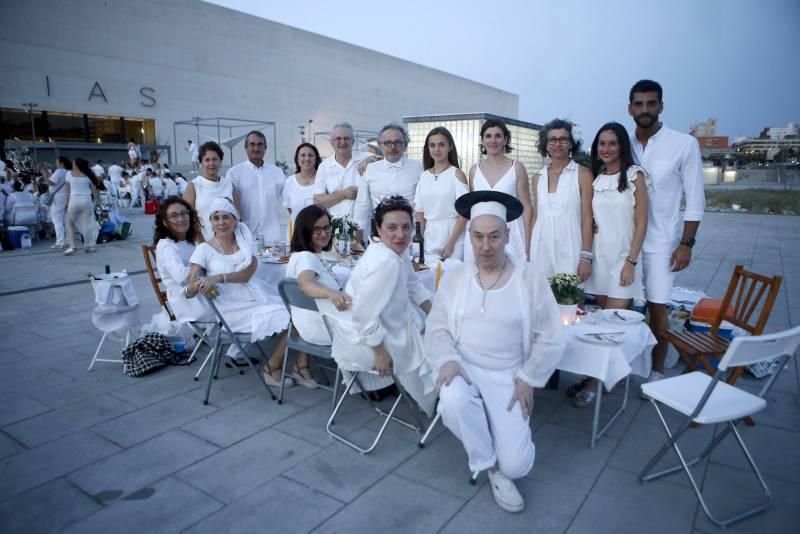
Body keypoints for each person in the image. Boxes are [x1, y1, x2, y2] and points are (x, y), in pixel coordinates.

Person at [425, 190, 564, 513]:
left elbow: (551, 335)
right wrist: (446, 360)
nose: (485, 246)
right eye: (477, 237)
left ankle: (499, 452)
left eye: (494, 237)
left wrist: (529, 377)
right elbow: (437, 325)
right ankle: (491, 467)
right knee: (452, 398)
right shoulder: (457, 276)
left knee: (519, 465)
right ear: (469, 237)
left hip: (508, 376)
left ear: (507, 236)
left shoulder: (529, 278)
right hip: (464, 367)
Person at [327, 196, 436, 414]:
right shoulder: (386, 261)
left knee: (435, 329)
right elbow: (364, 316)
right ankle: (437, 399)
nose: (401, 235)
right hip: (364, 339)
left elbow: (414, 285)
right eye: (392, 227)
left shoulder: (393, 250)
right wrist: (379, 352)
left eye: (406, 227)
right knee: (441, 348)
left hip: (358, 331)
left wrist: (437, 316)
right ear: (378, 227)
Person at [628, 79, 705, 388]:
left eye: (651, 103)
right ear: (630, 108)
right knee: (622, 306)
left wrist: (686, 243)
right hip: (625, 242)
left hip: (662, 243)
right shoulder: (623, 143)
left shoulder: (683, 144)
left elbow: (695, 198)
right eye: (639, 104)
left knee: (658, 307)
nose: (645, 110)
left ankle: (656, 372)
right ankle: (622, 367)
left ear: (661, 106)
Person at [570, 122, 649, 407]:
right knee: (599, 323)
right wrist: (586, 257)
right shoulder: (596, 178)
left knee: (612, 324)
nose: (606, 149)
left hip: (623, 260)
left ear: (622, 146)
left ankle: (593, 384)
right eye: (601, 144)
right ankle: (600, 374)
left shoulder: (635, 176)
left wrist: (631, 261)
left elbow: (642, 223)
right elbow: (590, 222)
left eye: (612, 143)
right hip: (600, 259)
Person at [189, 197, 293, 387]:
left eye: (226, 217)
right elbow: (190, 287)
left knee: (298, 313)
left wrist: (218, 278)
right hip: (231, 311)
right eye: (216, 218)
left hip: (252, 300)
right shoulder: (204, 249)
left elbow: (246, 274)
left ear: (235, 219)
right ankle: (272, 368)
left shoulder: (244, 244)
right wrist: (199, 286)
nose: (221, 223)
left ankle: (298, 367)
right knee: (295, 318)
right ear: (211, 222)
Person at [285, 205, 353, 388]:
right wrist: (331, 293)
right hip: (324, 330)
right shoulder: (306, 258)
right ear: (305, 230)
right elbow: (305, 285)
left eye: (326, 228)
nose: (324, 233)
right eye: (317, 229)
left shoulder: (303, 256)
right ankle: (376, 378)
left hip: (308, 326)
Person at [529, 119, 594, 280]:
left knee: (570, 300)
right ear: (546, 144)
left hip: (571, 246)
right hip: (541, 248)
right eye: (552, 139)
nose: (557, 144)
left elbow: (587, 218)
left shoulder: (583, 174)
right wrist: (529, 252)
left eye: (563, 139)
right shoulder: (538, 177)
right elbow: (536, 216)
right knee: (541, 300)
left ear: (571, 143)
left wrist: (586, 257)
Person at [464, 119, 533, 264]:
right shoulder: (474, 170)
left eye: (498, 136)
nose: (493, 140)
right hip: (482, 234)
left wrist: (528, 244)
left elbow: (526, 208)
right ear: (482, 141)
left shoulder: (517, 168)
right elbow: (473, 209)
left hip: (511, 234)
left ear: (505, 139)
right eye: (488, 136)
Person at [354, 124, 422, 240]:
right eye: (387, 143)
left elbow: (423, 204)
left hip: (410, 235)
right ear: (380, 145)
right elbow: (362, 204)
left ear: (405, 145)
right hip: (380, 235)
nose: (392, 147)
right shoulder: (369, 169)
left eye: (398, 142)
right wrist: (358, 235)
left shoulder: (418, 168)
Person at [414, 126, 469, 262]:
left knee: (451, 280)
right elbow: (420, 214)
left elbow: (464, 213)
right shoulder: (423, 176)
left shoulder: (457, 174)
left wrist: (451, 244)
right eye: (432, 145)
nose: (437, 149)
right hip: (429, 238)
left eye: (441, 145)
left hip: (453, 238)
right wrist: (418, 241)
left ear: (450, 147)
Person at [153, 197, 212, 323]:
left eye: (184, 213)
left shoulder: (191, 241)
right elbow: (182, 276)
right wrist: (204, 265)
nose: (181, 219)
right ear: (165, 222)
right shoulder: (166, 246)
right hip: (187, 300)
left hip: (203, 291)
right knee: (234, 306)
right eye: (174, 216)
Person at [226, 131, 286, 243]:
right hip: (245, 237)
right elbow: (229, 207)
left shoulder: (277, 172)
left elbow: (289, 201)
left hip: (272, 237)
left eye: (260, 144)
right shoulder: (234, 173)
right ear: (245, 147)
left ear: (265, 148)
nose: (256, 148)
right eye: (252, 144)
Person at [313, 122, 371, 220]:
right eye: (338, 138)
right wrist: (344, 194)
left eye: (346, 138)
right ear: (332, 142)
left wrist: (371, 160)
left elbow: (387, 160)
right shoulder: (324, 166)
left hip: (364, 227)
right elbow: (318, 202)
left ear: (353, 141)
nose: (342, 142)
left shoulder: (365, 158)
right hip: (336, 227)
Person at [183, 141, 237, 241]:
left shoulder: (229, 185)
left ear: (220, 161)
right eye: (207, 160)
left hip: (229, 244)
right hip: (203, 244)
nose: (211, 163)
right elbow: (188, 219)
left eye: (215, 159)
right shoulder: (194, 186)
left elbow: (237, 217)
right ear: (201, 163)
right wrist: (202, 243)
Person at [64, 158, 100, 255]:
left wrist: (66, 203)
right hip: (87, 200)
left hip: (74, 200)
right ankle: (88, 246)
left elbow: (67, 191)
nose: (72, 164)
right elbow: (94, 190)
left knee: (69, 223)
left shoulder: (69, 174)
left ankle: (73, 246)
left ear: (77, 165)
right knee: (87, 224)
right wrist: (98, 203)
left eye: (74, 163)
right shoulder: (89, 174)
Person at [283, 143, 321, 230]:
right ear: (297, 159)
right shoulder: (290, 182)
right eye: (303, 155)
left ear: (316, 159)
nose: (307, 158)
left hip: (318, 232)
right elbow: (290, 208)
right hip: (296, 232)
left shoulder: (323, 179)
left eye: (310, 155)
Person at [44, 156, 71, 249]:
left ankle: (60, 242)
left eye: (57, 162)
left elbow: (51, 182)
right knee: (65, 220)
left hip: (57, 197)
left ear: (61, 163)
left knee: (57, 221)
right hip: (66, 196)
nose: (56, 164)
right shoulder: (68, 172)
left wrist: (44, 173)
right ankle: (68, 240)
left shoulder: (59, 171)